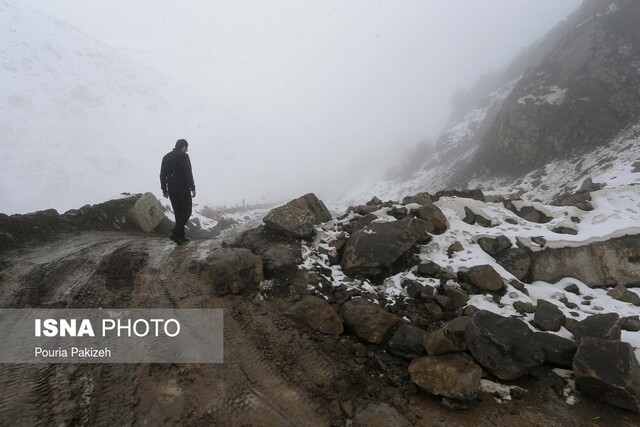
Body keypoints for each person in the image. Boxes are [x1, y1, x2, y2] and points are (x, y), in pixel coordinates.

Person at [160, 139, 196, 244]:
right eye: (186, 148)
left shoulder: (166, 157)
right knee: (187, 211)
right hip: (183, 188)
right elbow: (188, 173)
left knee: (178, 213)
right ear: (183, 147)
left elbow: (162, 175)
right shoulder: (184, 156)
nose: (187, 150)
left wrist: (164, 189)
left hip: (172, 190)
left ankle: (180, 237)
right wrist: (192, 188)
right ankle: (175, 233)